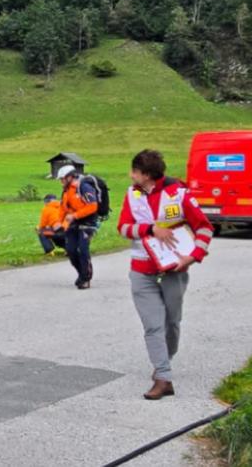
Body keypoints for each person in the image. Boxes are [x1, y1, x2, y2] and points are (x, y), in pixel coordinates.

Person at [116, 149, 213, 400]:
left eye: (134, 171)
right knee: (153, 325)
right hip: (141, 270)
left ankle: (164, 360)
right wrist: (150, 229)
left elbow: (204, 228)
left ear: (146, 175)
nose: (130, 175)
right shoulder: (132, 194)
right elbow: (124, 228)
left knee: (172, 323)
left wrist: (192, 256)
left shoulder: (178, 194)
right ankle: (163, 377)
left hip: (174, 270)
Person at [58, 165, 100, 289]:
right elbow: (62, 208)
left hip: (88, 223)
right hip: (73, 223)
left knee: (82, 250)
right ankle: (81, 274)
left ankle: (85, 278)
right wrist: (58, 223)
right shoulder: (66, 191)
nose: (61, 182)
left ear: (70, 177)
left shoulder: (84, 187)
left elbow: (93, 206)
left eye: (62, 179)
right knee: (70, 250)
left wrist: (75, 215)